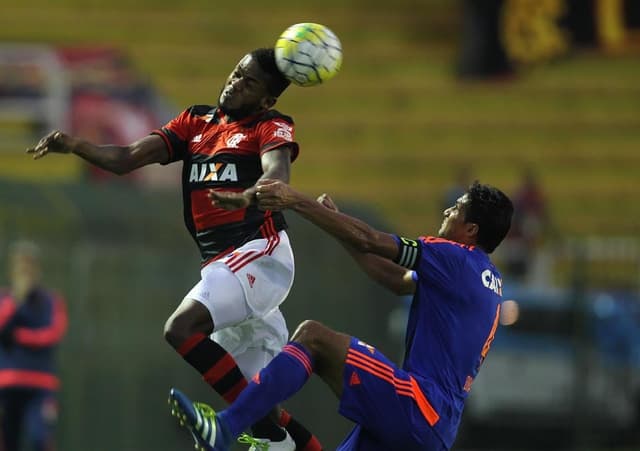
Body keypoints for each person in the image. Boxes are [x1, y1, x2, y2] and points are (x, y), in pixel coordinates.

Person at [26, 48, 321, 451]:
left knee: (181, 329)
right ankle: (286, 439)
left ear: (267, 100)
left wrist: (248, 197)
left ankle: (237, 430)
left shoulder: (270, 125)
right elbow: (128, 157)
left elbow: (277, 177)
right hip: (222, 264)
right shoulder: (196, 121)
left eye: (249, 82)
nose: (235, 82)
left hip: (260, 252)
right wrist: (76, 144)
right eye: (237, 73)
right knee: (260, 402)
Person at [168, 179, 514, 450]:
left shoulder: (454, 257)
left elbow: (370, 239)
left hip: (418, 405)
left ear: (471, 231)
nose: (447, 212)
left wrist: (296, 201)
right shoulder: (486, 280)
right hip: (436, 428)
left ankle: (226, 428)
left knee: (313, 337)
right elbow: (395, 280)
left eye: (456, 208)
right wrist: (338, 228)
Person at [0, 240, 68, 451]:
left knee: (40, 439)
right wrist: (16, 300)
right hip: (7, 386)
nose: (26, 271)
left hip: (40, 386)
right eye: (22, 265)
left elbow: (52, 334)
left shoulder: (51, 301)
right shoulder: (5, 299)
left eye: (30, 265)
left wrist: (18, 336)